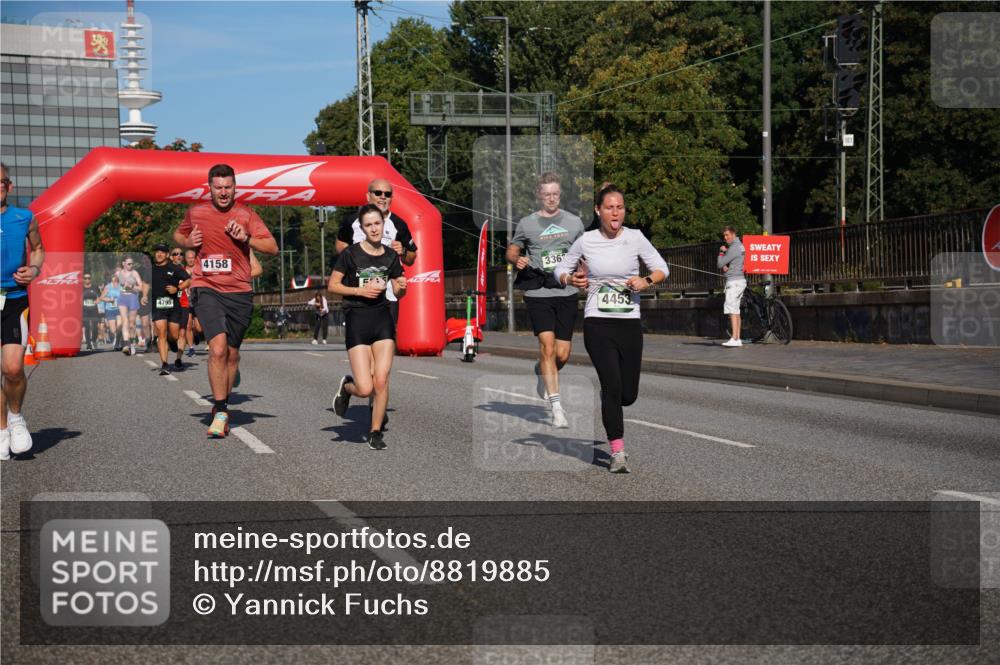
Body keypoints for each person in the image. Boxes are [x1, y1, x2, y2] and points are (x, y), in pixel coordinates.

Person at [554, 184, 668, 474]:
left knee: (628, 394)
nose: (615, 212)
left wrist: (646, 281)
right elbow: (560, 270)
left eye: (619, 207)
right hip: (597, 322)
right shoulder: (586, 241)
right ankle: (617, 451)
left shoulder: (636, 238)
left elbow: (661, 268)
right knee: (612, 386)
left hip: (629, 322)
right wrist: (572, 279)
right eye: (609, 207)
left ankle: (615, 405)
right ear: (598, 211)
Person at [174, 163, 278, 438]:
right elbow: (178, 234)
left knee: (231, 354)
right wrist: (187, 242)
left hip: (239, 292)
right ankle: (220, 410)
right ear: (209, 188)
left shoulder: (245, 214)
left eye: (228, 187)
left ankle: (223, 404)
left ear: (235, 188)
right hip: (206, 286)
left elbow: (272, 247)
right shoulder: (196, 212)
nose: (223, 192)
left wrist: (247, 237)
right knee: (217, 349)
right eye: (218, 187)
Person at [506, 172, 585, 428]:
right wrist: (515, 259)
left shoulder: (574, 222)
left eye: (555, 194)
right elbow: (512, 249)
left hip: (566, 291)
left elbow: (584, 253)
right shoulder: (527, 223)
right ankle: (557, 408)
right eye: (546, 194)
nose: (551, 198)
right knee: (547, 347)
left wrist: (583, 270)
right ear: (539, 195)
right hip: (538, 291)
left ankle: (543, 371)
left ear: (559, 195)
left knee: (562, 354)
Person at [329, 204, 406, 451]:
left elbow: (398, 289)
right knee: (366, 388)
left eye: (377, 223)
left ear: (383, 225)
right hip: (357, 319)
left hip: (382, 318)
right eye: (369, 225)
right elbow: (333, 285)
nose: (374, 228)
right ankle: (347, 387)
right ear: (362, 228)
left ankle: (375, 432)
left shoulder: (391, 256)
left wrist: (401, 287)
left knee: (381, 381)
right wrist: (358, 290)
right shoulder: (350, 255)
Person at [1, 162, 45, 460]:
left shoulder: (24, 217)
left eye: (2, 182)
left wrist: (35, 268)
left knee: (13, 368)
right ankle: (2, 429)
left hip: (14, 298)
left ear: (9, 186)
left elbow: (39, 248)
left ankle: (15, 417)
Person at [335, 178, 416, 324]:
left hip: (387, 296)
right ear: (368, 196)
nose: (383, 197)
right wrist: (355, 255)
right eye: (378, 193)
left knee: (387, 340)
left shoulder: (399, 224)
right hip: (357, 296)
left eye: (387, 194)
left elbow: (411, 257)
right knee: (361, 342)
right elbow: (340, 245)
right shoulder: (352, 221)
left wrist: (402, 251)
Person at [150, 243, 191, 375]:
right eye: (157, 251)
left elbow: (188, 280)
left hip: (173, 306)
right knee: (161, 332)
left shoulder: (174, 268)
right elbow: (145, 284)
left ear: (167, 255)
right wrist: (144, 295)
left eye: (162, 252)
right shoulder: (150, 269)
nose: (159, 254)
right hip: (158, 306)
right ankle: (165, 364)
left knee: (174, 335)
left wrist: (177, 288)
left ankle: (171, 341)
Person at [718, 225, 746, 348]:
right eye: (724, 235)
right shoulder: (740, 245)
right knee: (736, 310)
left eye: (727, 235)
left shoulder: (733, 248)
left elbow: (720, 263)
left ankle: (734, 338)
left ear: (733, 234)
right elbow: (730, 265)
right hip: (739, 280)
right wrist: (727, 270)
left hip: (734, 282)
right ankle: (738, 338)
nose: (725, 238)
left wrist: (721, 252)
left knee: (732, 310)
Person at [115, 256, 145, 356]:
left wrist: (132, 286)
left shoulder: (135, 273)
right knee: (125, 321)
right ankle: (126, 345)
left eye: (132, 264)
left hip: (132, 298)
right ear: (123, 263)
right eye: (129, 264)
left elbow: (141, 288)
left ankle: (132, 344)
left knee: (132, 324)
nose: (131, 265)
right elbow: (114, 284)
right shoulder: (118, 273)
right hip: (123, 298)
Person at [171, 247, 190, 364]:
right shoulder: (166, 270)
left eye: (181, 254)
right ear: (171, 256)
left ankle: (178, 359)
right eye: (175, 254)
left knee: (182, 332)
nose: (178, 256)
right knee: (173, 334)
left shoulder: (186, 272)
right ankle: (171, 341)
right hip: (170, 306)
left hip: (183, 304)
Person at [183, 249, 203, 356]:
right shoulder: (182, 270)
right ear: (185, 259)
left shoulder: (199, 269)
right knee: (188, 325)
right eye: (188, 257)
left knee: (199, 328)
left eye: (192, 257)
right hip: (187, 300)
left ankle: (196, 334)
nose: (190, 260)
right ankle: (191, 348)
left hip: (199, 300)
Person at [81, 272, 101, 350]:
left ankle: (94, 340)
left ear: (91, 279)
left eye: (89, 278)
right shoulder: (80, 288)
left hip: (94, 309)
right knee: (87, 327)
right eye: (85, 278)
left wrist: (98, 300)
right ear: (83, 279)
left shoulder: (95, 287)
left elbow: (100, 296)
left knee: (95, 327)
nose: (87, 280)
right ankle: (89, 344)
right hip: (85, 310)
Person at [101, 274, 122, 349]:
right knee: (113, 329)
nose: (115, 282)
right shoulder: (108, 287)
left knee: (120, 325)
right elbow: (102, 298)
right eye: (113, 281)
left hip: (119, 309)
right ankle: (117, 339)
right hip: (110, 309)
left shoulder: (121, 286)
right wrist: (109, 300)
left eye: (116, 280)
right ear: (111, 281)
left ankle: (118, 341)